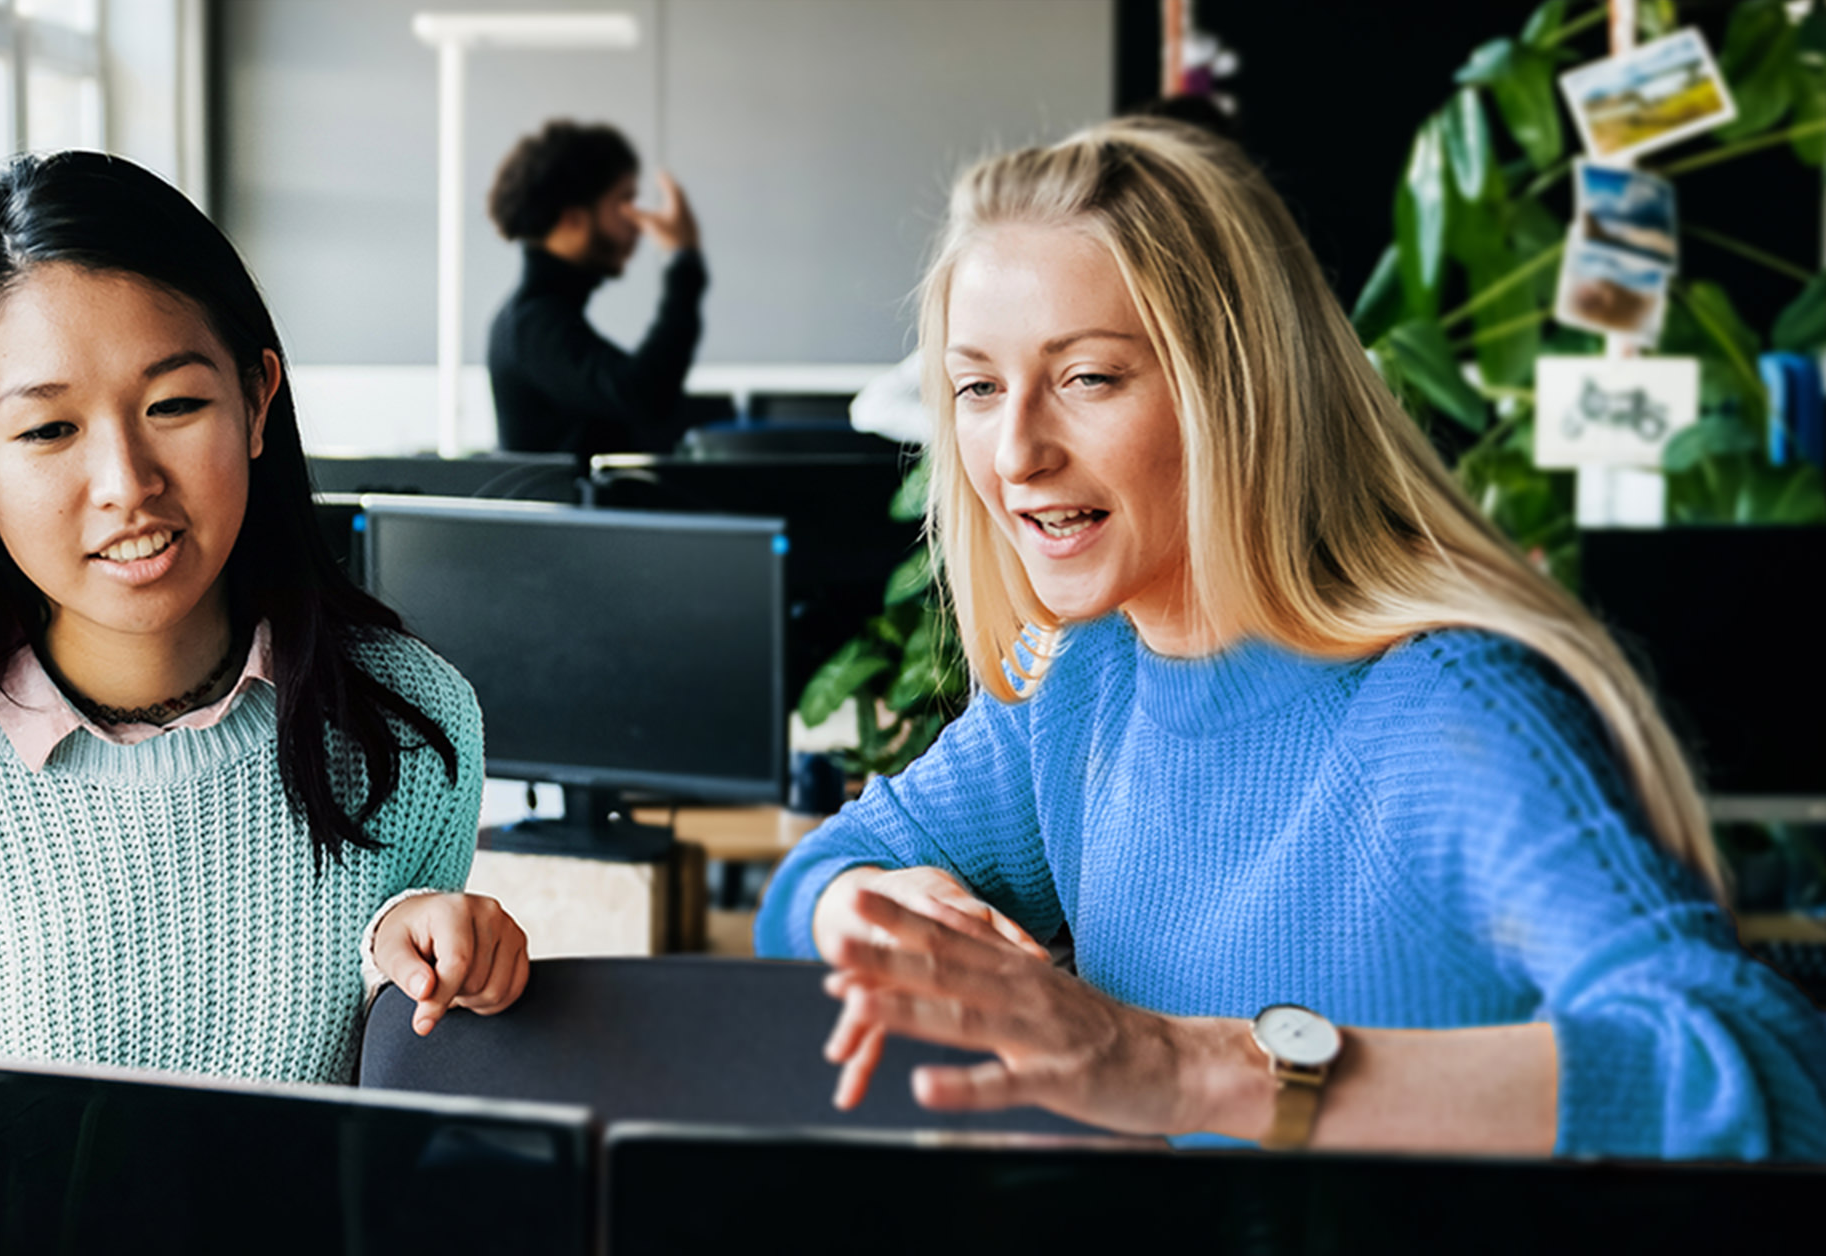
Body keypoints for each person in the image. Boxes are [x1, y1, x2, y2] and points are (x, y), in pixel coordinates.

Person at [754, 117, 1826, 1160]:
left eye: (1088, 377)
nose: (1017, 449)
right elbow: (813, 882)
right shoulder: (1082, 687)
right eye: (978, 387)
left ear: (1237, 391)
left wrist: (1193, 1066)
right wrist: (889, 909)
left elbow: (1758, 1069)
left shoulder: (1447, 709)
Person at [0, 152, 528, 1084]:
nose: (128, 484)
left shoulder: (403, 726)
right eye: (50, 430)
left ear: (256, 402)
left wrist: (435, 965)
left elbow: (372, 1118)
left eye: (174, 404)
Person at [485, 119, 707, 459]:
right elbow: (645, 396)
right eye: (624, 202)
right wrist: (683, 261)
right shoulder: (534, 323)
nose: (637, 221)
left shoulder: (536, 314)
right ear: (573, 218)